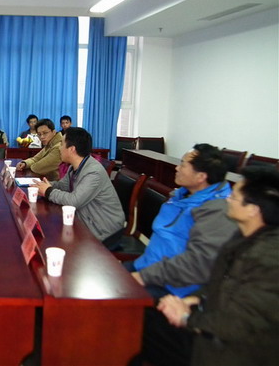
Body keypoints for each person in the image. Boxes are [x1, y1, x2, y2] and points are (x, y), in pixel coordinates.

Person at [137, 167, 279, 366]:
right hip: (211, 325)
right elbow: (219, 283)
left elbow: (240, 325)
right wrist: (193, 299)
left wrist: (186, 318)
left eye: (234, 197)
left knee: (140, 328)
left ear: (253, 210)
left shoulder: (269, 260)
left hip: (232, 350)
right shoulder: (244, 236)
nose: (227, 199)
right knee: (141, 321)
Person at [125, 144, 237, 299]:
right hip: (148, 265)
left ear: (201, 177)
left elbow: (197, 264)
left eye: (183, 165)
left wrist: (143, 277)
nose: (177, 168)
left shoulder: (217, 211)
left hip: (172, 287)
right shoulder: (182, 195)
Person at [33, 127, 124, 248]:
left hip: (104, 229)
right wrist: (45, 185)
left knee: (54, 241)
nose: (59, 148)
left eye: (61, 144)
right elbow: (63, 186)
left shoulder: (93, 172)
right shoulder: (75, 166)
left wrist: (48, 191)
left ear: (71, 149)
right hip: (85, 220)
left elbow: (73, 201)